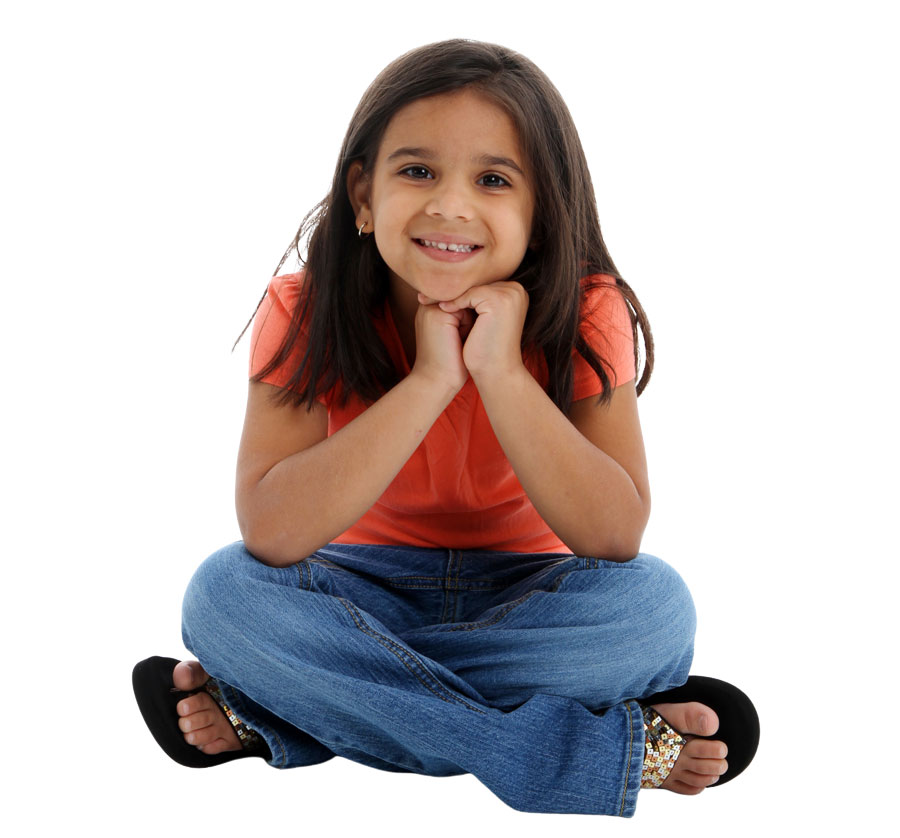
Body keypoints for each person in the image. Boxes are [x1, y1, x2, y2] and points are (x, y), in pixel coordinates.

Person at [133, 39, 758, 817]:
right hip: (356, 587)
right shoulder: (305, 307)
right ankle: (590, 750)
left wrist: (499, 370)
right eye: (417, 171)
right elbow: (271, 533)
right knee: (223, 595)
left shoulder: (586, 312)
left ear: (543, 213)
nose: (451, 204)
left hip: (530, 591)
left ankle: (285, 711)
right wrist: (431, 379)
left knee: (655, 610)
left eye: (493, 180)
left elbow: (612, 536)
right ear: (364, 196)